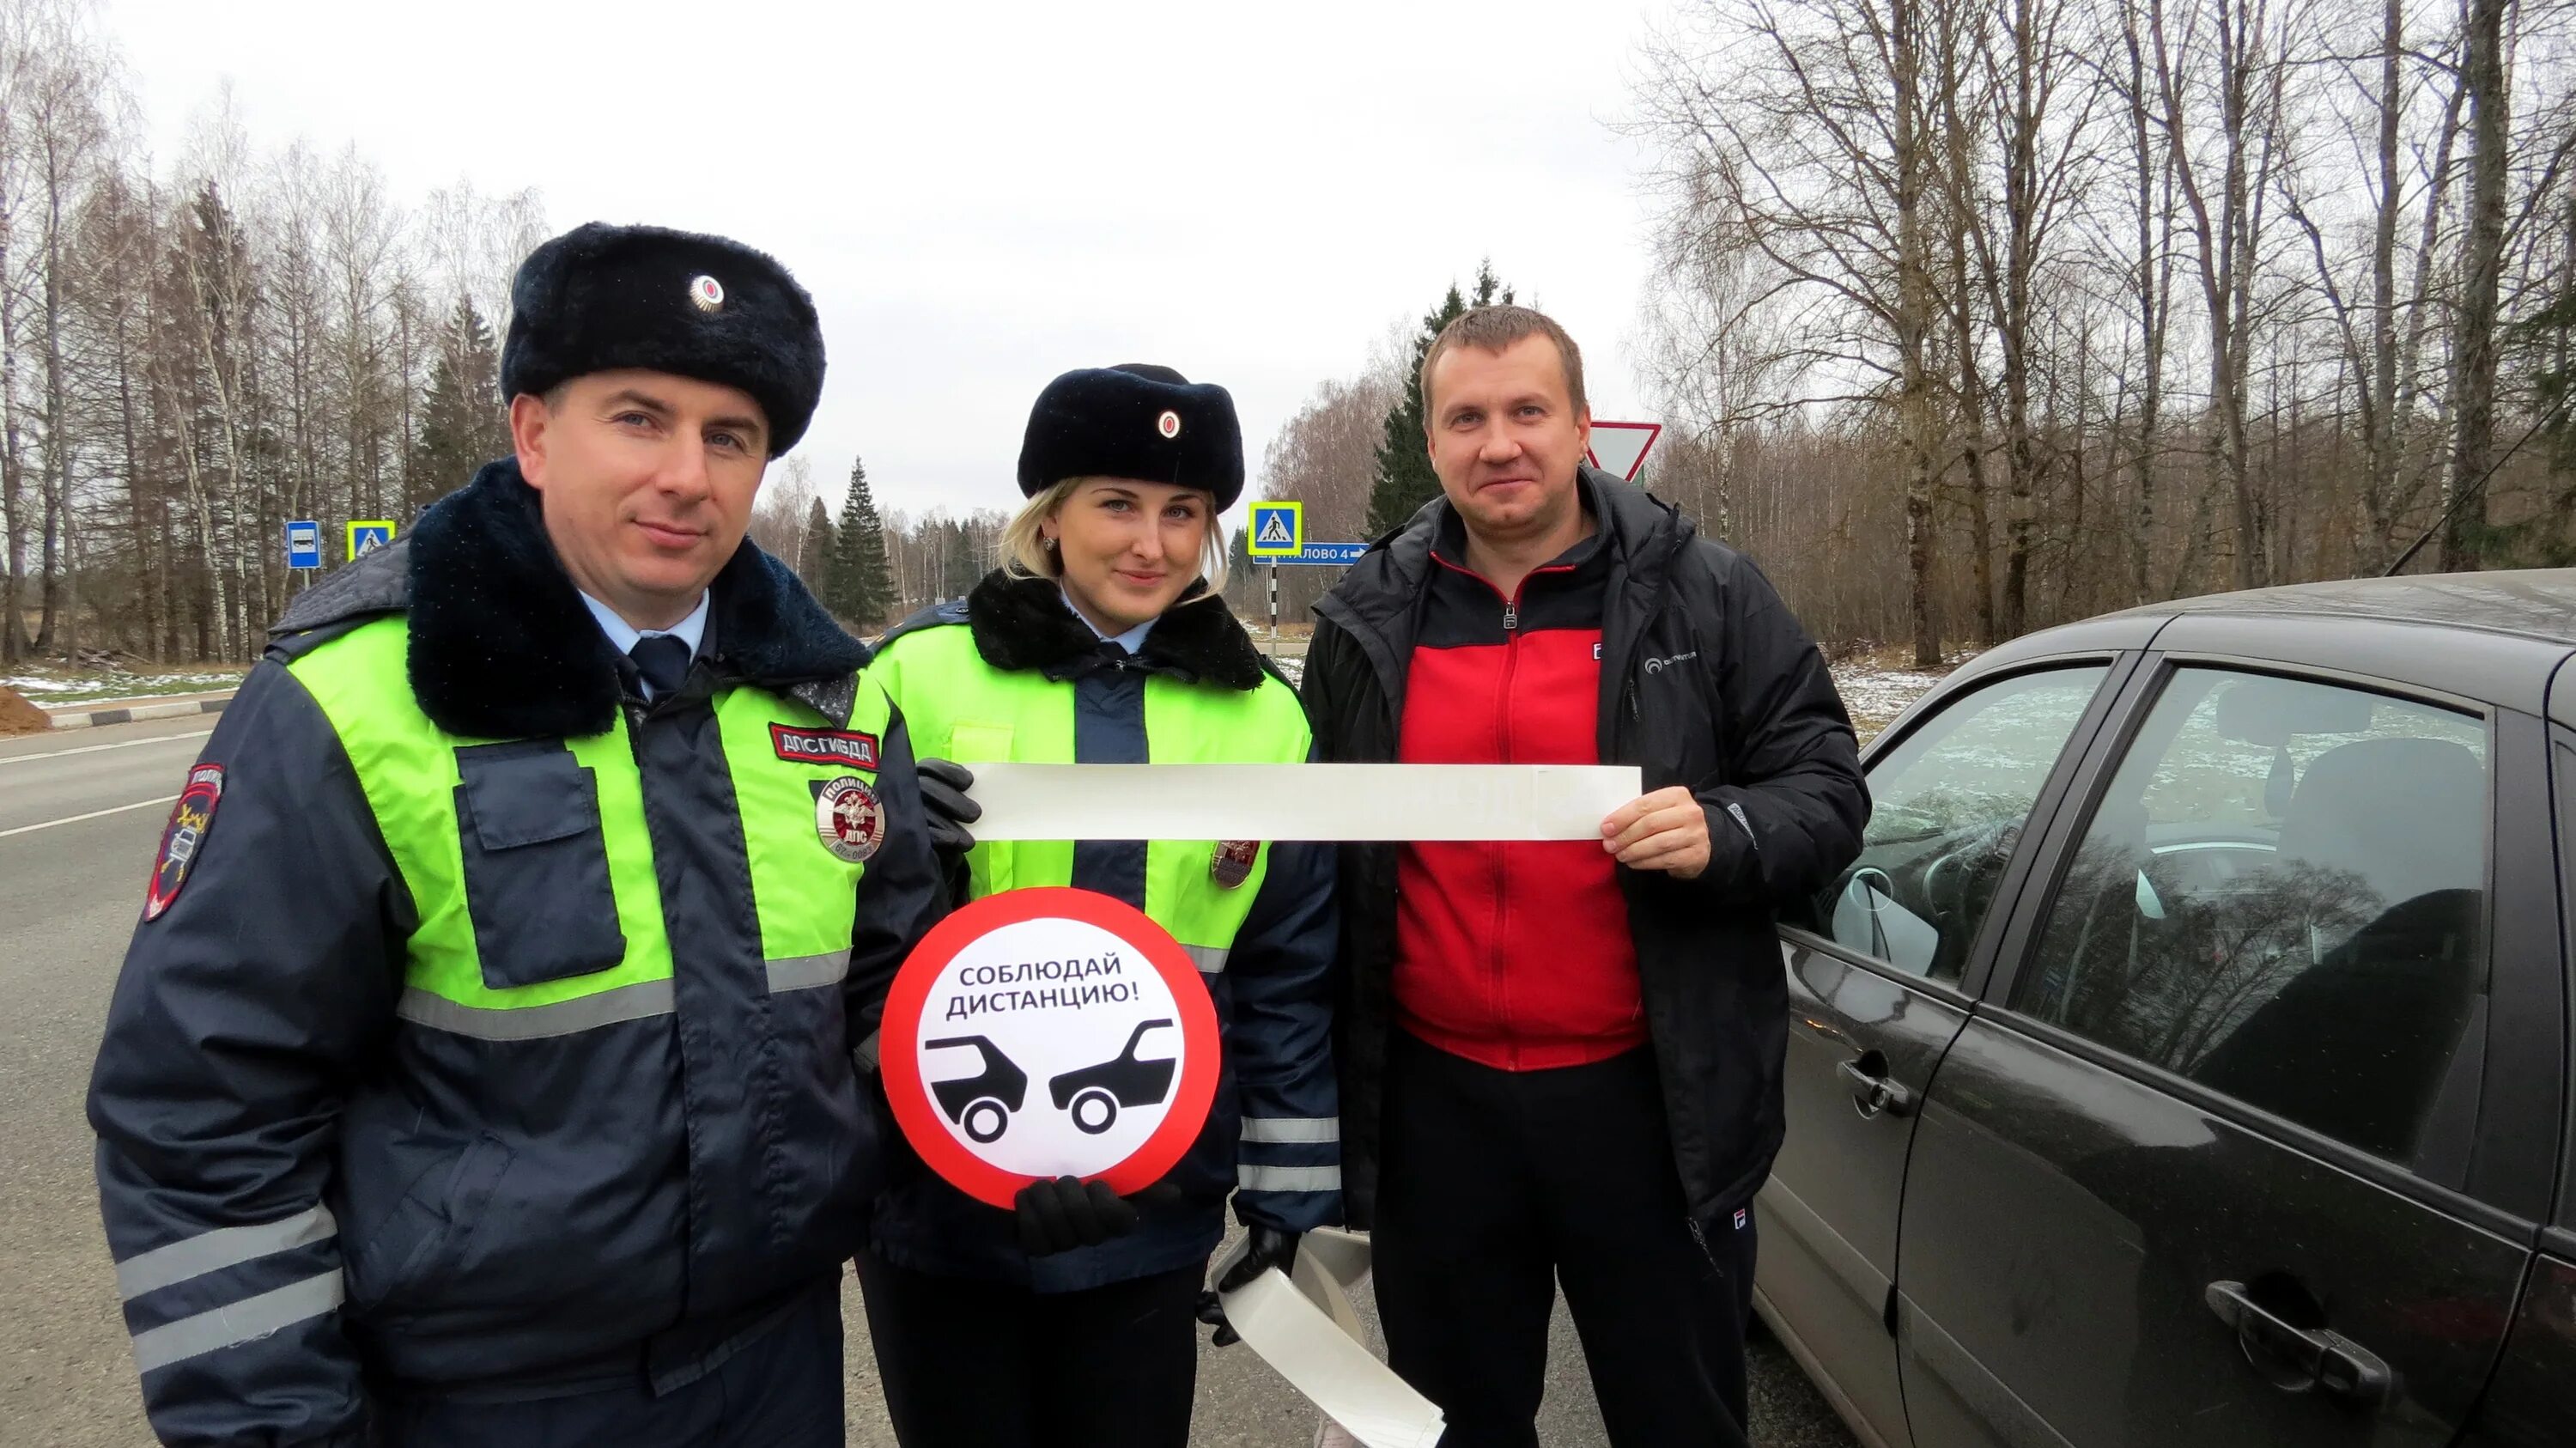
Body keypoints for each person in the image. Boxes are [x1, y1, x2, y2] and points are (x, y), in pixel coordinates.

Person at [86, 222, 948, 1448]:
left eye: (731, 436)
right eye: (639, 418)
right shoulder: (355, 700)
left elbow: (885, 1013)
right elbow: (204, 1109)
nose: (688, 476)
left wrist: (1004, 1155)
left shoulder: (839, 703)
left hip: (776, 1373)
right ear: (535, 433)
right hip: (477, 1403)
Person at [1301, 305, 1868, 1447]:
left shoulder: (1703, 589)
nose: (1498, 443)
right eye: (1467, 417)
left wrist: (1730, 831)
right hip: (1436, 1107)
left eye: (1526, 411)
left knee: (1680, 1420)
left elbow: (1826, 785)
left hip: (1651, 1105)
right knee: (1458, 1424)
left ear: (1580, 426)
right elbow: (1310, 825)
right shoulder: (1369, 614)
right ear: (1433, 439)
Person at [858, 363, 1339, 1448]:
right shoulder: (915, 676)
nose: (1151, 544)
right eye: (1117, 504)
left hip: (1151, 1204)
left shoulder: (1265, 718)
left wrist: (1286, 1195)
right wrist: (896, 860)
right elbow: (822, 936)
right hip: (938, 1205)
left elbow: (1288, 971)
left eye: (1183, 514)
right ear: (1051, 516)